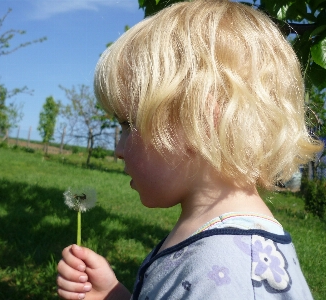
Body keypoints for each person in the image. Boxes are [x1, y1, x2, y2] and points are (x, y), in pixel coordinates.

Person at [57, 0, 322, 299]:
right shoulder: (217, 247)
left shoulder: (226, 274)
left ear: (201, 119)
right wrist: (112, 295)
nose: (118, 149)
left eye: (129, 123)